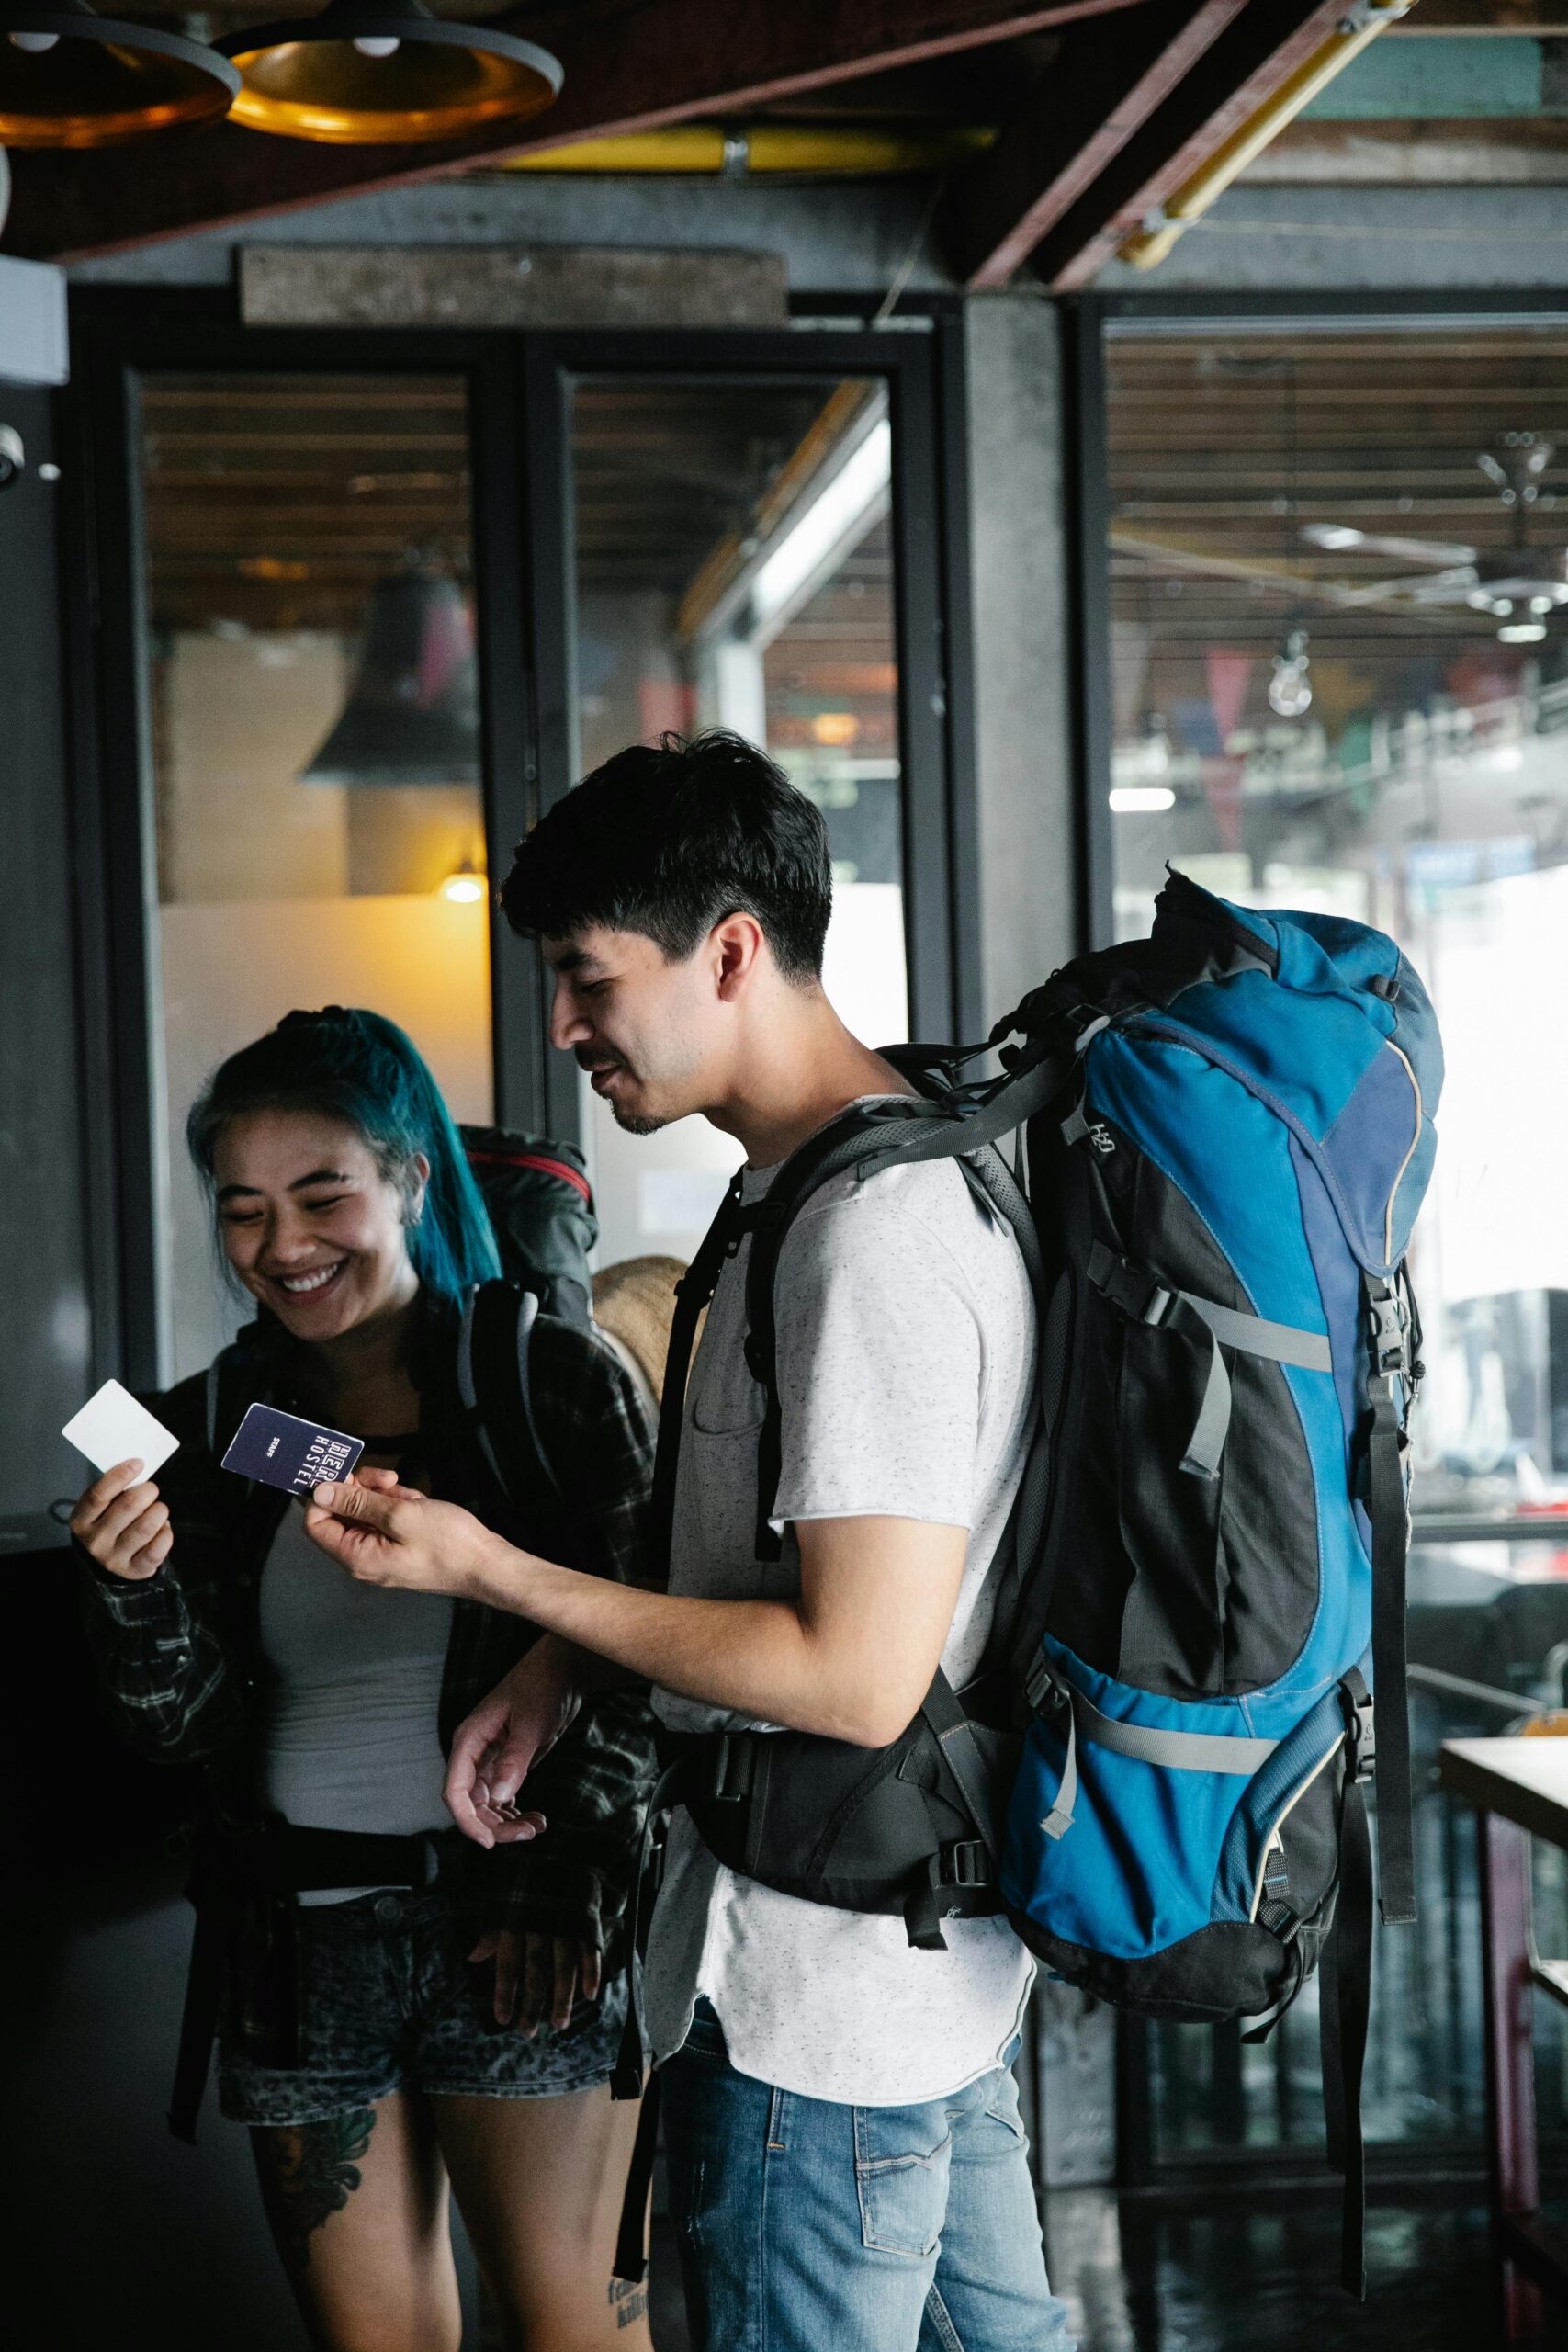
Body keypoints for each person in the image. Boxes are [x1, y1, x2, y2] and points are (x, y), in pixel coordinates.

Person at [303, 735, 1077, 2352]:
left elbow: (856, 1675)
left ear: (729, 948)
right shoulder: (818, 1188)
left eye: (590, 979)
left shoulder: (868, 1238)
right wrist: (557, 1655)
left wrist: (489, 1569)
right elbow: (777, 1580)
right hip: (900, 1995)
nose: (565, 1027)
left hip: (824, 2034)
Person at [69, 1007, 658, 2352]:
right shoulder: (215, 1430)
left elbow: (654, 1650)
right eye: (244, 1209)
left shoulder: (546, 1383)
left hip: (518, 1929)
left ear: (410, 1179)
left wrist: (569, 1878)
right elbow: (183, 1732)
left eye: (322, 1193)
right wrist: (130, 1589)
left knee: (583, 2338)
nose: (283, 1246)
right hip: (294, 1949)